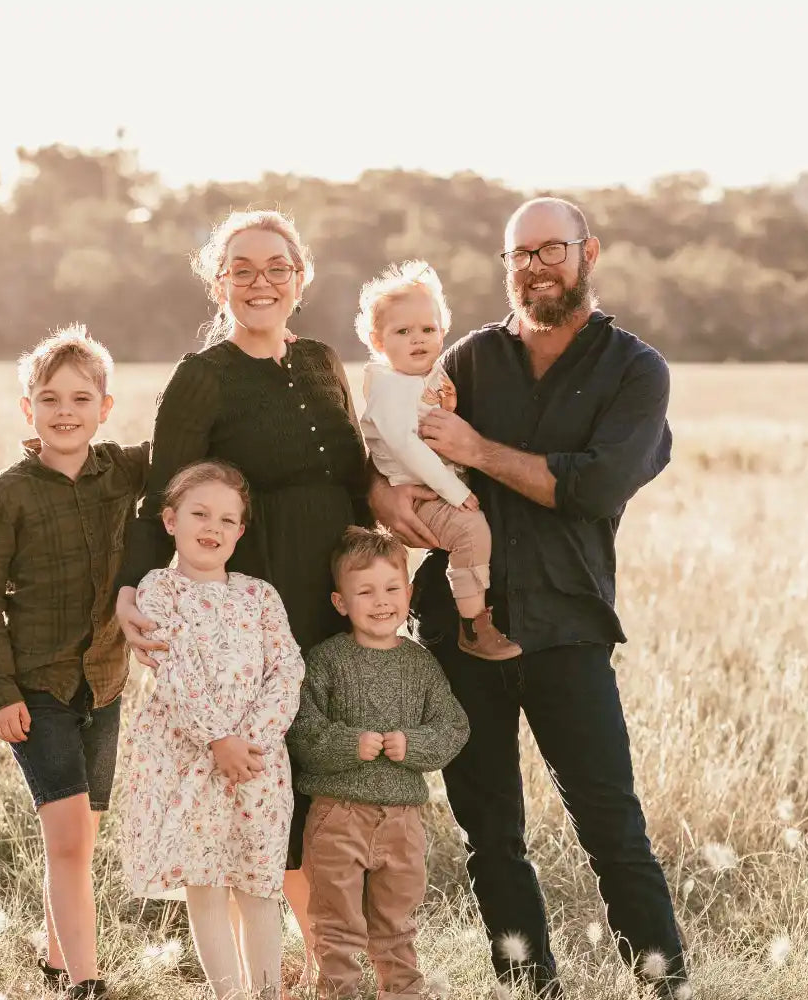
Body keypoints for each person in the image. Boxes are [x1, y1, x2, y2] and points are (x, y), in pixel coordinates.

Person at [369, 198, 689, 999]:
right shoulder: (469, 360)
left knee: (614, 829)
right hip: (457, 627)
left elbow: (592, 487)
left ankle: (666, 985)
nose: (535, 265)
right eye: (520, 254)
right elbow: (390, 446)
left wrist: (478, 450)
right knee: (490, 837)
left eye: (552, 249)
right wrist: (387, 502)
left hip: (568, 627)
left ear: (590, 255)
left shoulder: (634, 370)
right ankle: (526, 986)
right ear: (505, 266)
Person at [114, 209, 370, 983]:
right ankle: (276, 973)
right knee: (261, 775)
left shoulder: (325, 360)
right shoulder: (205, 376)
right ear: (218, 283)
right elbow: (165, 489)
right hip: (257, 605)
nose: (261, 282)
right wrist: (131, 589)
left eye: (277, 267)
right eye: (242, 269)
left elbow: (357, 478)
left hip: (337, 597)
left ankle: (333, 960)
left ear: (302, 279)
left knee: (325, 775)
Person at [0, 327, 148, 1000]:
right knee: (67, 838)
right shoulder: (5, 495)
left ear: (105, 406)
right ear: (27, 409)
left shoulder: (123, 472)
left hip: (105, 682)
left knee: (78, 839)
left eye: (80, 398)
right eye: (49, 399)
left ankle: (53, 957)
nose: (65, 411)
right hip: (36, 689)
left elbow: (196, 447)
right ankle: (87, 981)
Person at [120, 460, 303, 1000]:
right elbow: (173, 668)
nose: (213, 527)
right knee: (206, 882)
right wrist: (218, 738)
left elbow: (286, 668)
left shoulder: (260, 595)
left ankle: (268, 993)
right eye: (200, 513)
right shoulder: (160, 589)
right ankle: (229, 995)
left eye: (227, 519)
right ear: (171, 520)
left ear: (241, 531)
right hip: (188, 758)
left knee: (258, 882)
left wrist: (254, 740)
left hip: (257, 763)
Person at [287, 527, 469, 1000]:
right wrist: (350, 744)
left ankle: (404, 993)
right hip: (337, 817)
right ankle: (337, 992)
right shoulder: (326, 661)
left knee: (395, 927)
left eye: (392, 589)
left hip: (402, 823)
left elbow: (453, 728)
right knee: (337, 926)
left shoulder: (421, 665)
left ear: (408, 593)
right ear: (341, 602)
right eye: (364, 591)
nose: (381, 601)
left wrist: (413, 745)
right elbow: (302, 731)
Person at [355, 260, 520, 660]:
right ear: (379, 341)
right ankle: (474, 624)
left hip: (434, 486)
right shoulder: (390, 388)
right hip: (421, 493)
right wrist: (455, 490)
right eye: (403, 331)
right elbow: (407, 446)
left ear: (443, 332)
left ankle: (473, 612)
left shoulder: (420, 380)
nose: (418, 339)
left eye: (428, 330)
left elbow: (429, 419)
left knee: (473, 533)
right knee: (471, 533)